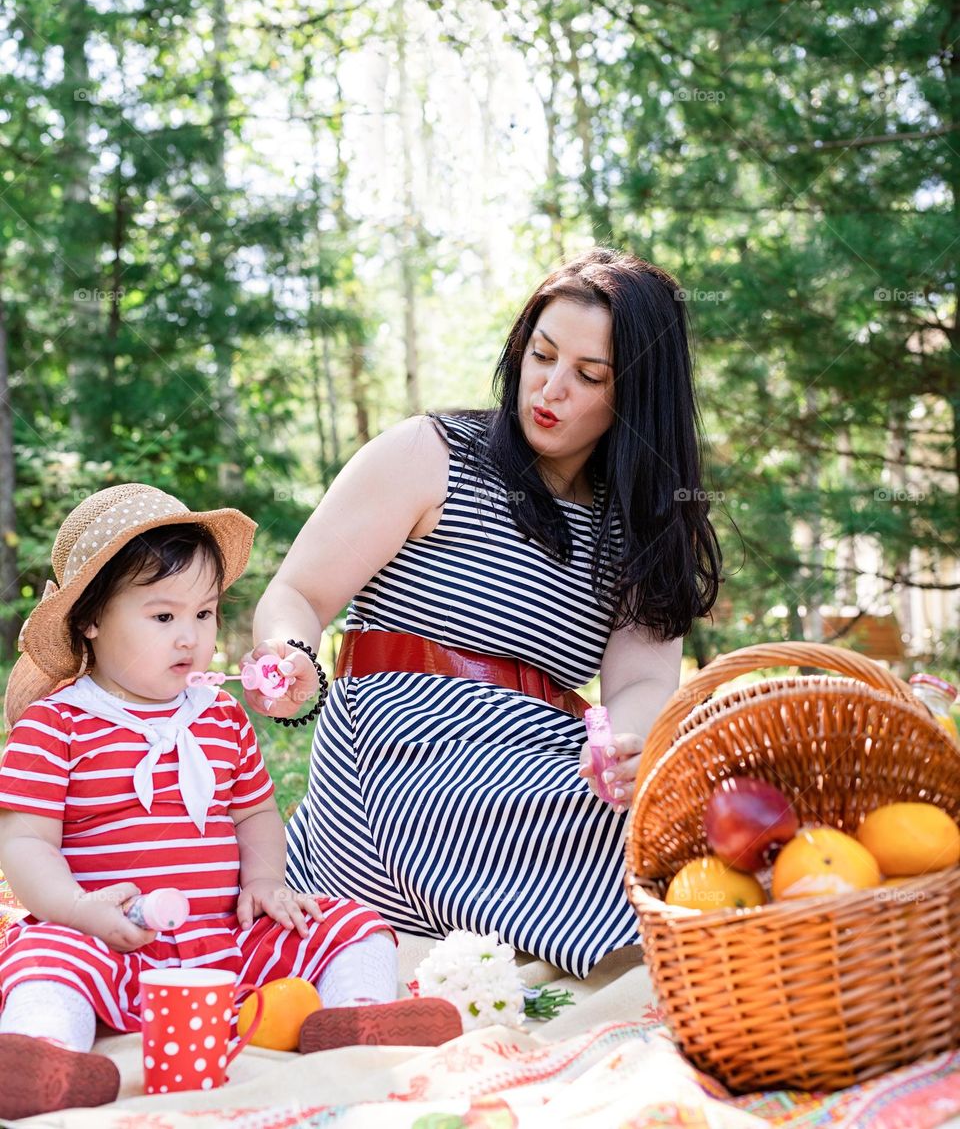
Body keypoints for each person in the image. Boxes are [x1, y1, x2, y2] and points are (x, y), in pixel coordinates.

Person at [248, 248, 722, 979]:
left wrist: (628, 746)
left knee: (706, 818)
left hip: (540, 775)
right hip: (399, 769)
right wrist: (290, 656)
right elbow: (298, 596)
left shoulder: (636, 528)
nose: (551, 387)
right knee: (666, 876)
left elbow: (639, 684)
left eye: (589, 375)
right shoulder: (429, 453)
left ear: (635, 396)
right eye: (541, 354)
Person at [0, 484, 460, 1120]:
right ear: (90, 619)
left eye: (205, 613)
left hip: (223, 945)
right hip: (107, 942)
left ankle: (359, 1019)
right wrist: (75, 908)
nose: (190, 638)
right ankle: (44, 1055)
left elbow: (253, 814)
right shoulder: (58, 725)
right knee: (42, 954)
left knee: (347, 922)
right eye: (163, 618)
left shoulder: (219, 715)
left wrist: (266, 882)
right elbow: (25, 842)